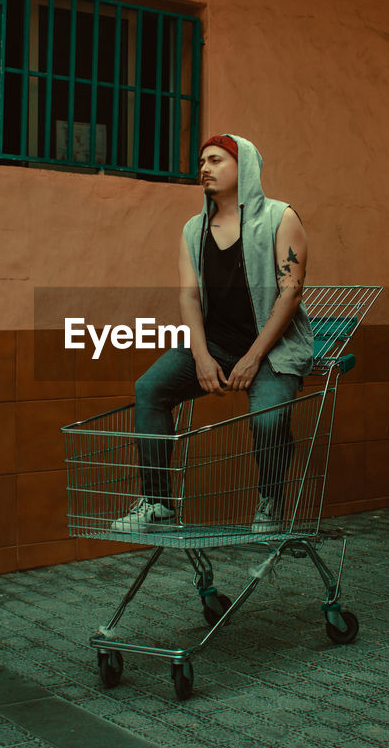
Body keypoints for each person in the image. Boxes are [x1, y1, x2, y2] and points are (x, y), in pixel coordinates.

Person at [114, 133, 314, 534]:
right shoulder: (193, 229)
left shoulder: (280, 218)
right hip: (216, 345)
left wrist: (253, 358)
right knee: (150, 389)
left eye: (217, 160)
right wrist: (202, 357)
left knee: (269, 420)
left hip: (271, 351)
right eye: (202, 160)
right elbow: (189, 296)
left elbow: (290, 293)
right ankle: (157, 504)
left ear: (246, 168)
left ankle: (270, 500)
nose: (204, 167)